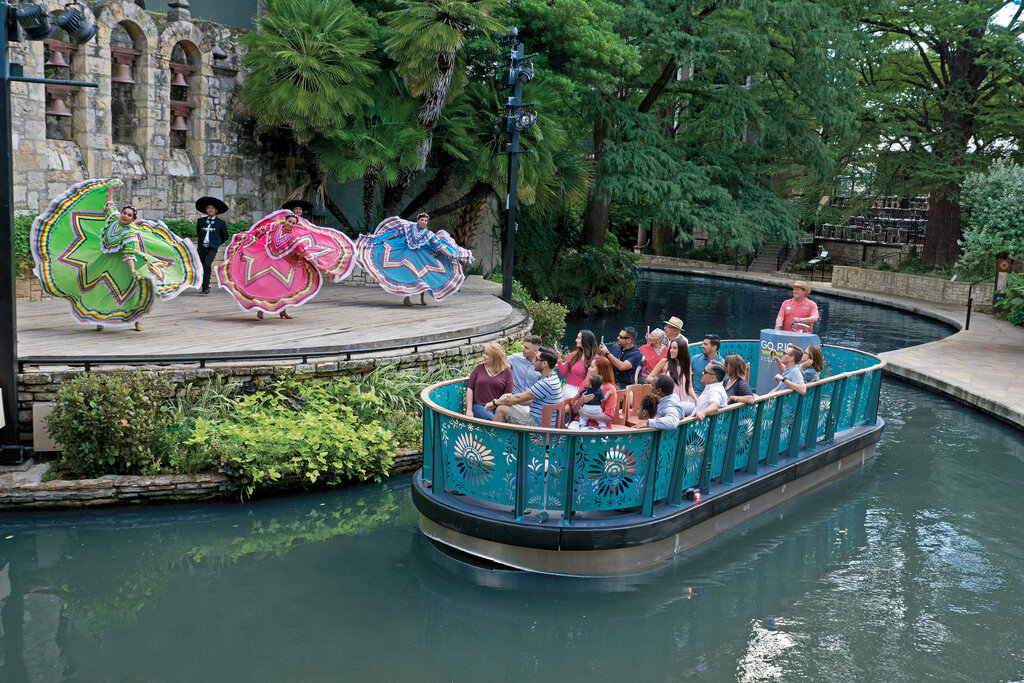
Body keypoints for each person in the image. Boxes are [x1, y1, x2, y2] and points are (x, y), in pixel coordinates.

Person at [30, 178, 201, 332]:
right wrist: (110, 187)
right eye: (124, 213)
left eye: (129, 215)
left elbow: (130, 253)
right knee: (97, 287)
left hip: (123, 265)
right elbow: (109, 203)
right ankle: (99, 319)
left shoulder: (129, 234)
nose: (125, 216)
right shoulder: (113, 218)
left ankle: (137, 321)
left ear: (133, 219)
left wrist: (133, 270)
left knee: (131, 291)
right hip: (104, 261)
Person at [217, 210, 356, 320]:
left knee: (282, 288)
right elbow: (262, 229)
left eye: (293, 223)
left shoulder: (294, 239)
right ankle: (261, 310)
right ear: (285, 221)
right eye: (289, 221)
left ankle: (282, 311)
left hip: (282, 265)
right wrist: (253, 234)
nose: (290, 224)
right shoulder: (274, 226)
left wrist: (317, 264)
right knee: (261, 284)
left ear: (296, 225)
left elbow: (306, 252)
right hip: (264, 259)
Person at [356, 212, 473, 306]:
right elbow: (397, 234)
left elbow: (437, 245)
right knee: (409, 275)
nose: (423, 222)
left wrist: (448, 254)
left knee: (423, 275)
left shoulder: (429, 234)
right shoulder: (408, 228)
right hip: (406, 253)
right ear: (418, 220)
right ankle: (407, 299)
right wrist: (387, 240)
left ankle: (422, 298)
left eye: (425, 221)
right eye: (422, 220)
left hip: (420, 255)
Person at [489, 347, 562, 427]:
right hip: (544, 423)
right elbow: (527, 400)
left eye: (536, 359)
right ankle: (501, 437)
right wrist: (510, 398)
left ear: (544, 363)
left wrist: (495, 402)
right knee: (510, 405)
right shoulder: (553, 378)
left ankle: (494, 437)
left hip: (539, 427)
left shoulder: (546, 383)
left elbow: (519, 398)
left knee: (501, 409)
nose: (534, 361)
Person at [647, 338, 697, 416]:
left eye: (675, 348)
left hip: (683, 402)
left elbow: (689, 388)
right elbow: (649, 378)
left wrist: (696, 400)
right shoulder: (664, 362)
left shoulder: (687, 366)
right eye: (671, 348)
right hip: (667, 402)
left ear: (682, 350)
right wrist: (662, 383)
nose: (671, 350)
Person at [465, 343, 514, 420]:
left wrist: (496, 404)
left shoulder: (507, 372)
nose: (483, 356)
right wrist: (469, 410)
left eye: (487, 354)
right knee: (492, 420)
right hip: (479, 406)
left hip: (497, 407)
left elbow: (507, 394)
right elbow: (470, 388)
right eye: (484, 353)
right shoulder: (479, 368)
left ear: (494, 357)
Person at [567, 356, 618, 430]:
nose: (588, 369)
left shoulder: (610, 389)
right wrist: (581, 401)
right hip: (581, 422)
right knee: (570, 434)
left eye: (592, 367)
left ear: (600, 370)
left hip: (600, 425)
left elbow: (608, 417)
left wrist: (586, 415)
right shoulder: (586, 383)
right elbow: (575, 410)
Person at [195, 196, 230, 294]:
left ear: (216, 210)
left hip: (212, 248)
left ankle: (205, 288)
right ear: (206, 210)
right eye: (208, 208)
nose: (210, 210)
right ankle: (205, 286)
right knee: (201, 266)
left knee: (207, 264)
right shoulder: (201, 221)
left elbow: (225, 236)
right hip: (201, 247)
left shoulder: (221, 223)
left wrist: (216, 243)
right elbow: (199, 233)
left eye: (212, 208)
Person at [558, 330, 599, 399]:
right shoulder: (573, 355)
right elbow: (562, 373)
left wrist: (578, 395)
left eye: (579, 338)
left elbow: (587, 382)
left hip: (581, 392)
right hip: (567, 389)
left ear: (586, 341)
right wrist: (559, 359)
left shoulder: (596, 359)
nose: (576, 340)